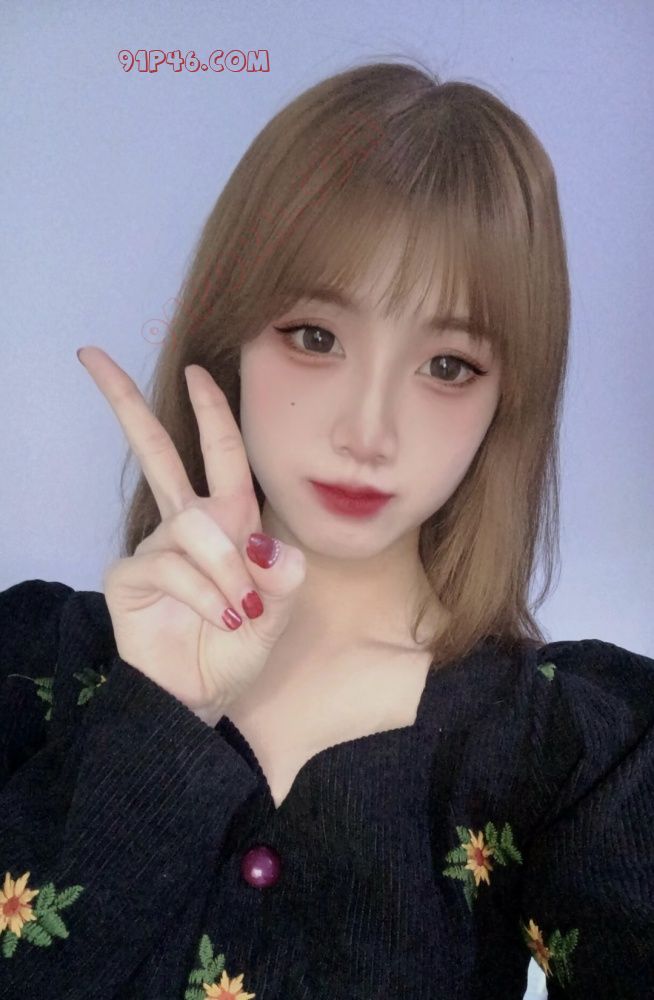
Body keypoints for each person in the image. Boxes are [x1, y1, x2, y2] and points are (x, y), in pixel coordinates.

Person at [1, 59, 652, 1000]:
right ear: (229, 339)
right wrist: (151, 726)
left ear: (507, 400)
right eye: (316, 337)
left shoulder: (571, 754)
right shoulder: (34, 667)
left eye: (448, 365)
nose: (367, 432)